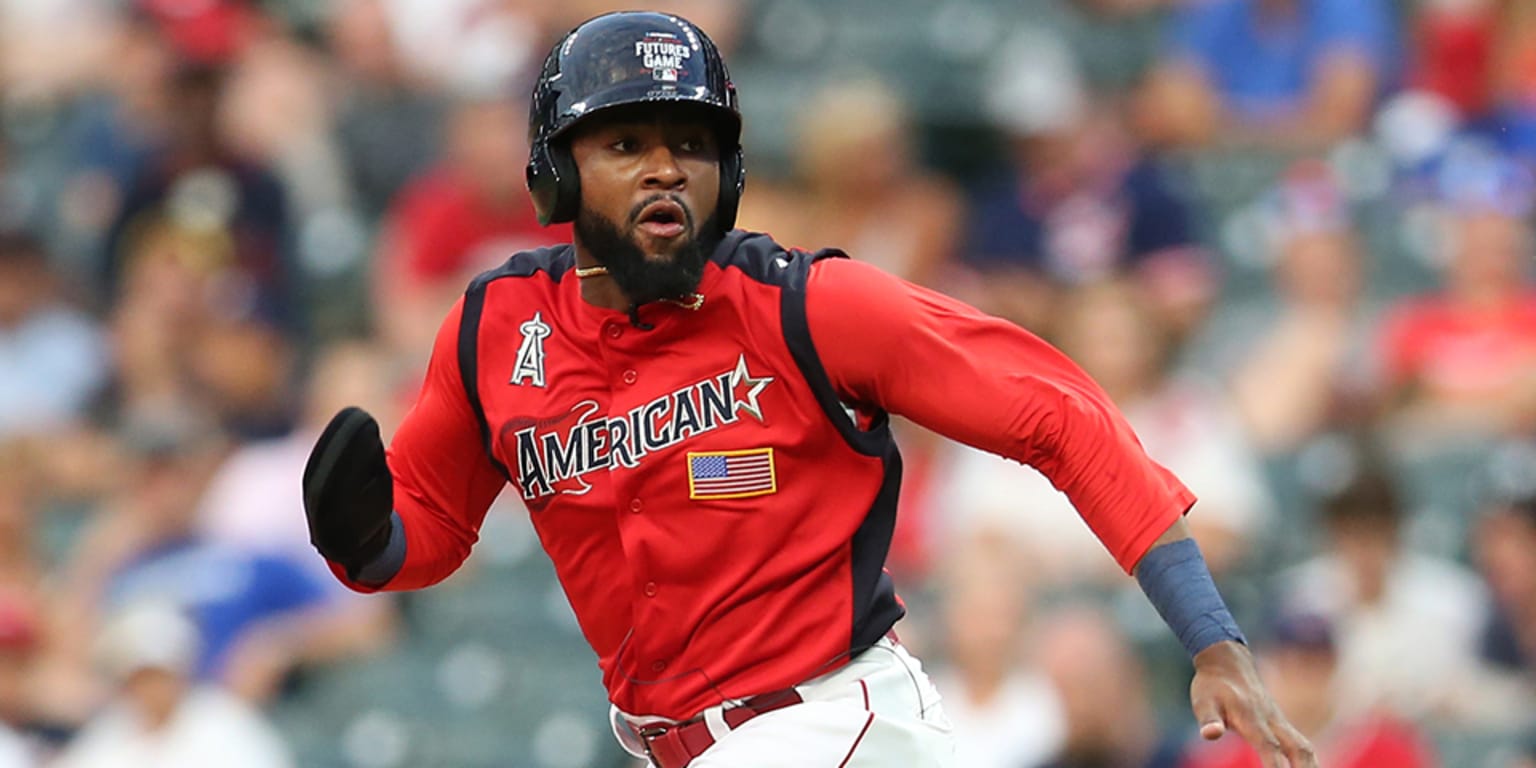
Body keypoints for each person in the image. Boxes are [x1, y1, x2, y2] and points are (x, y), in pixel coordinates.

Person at [299, 12, 1315, 768]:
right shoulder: (495, 329)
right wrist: (366, 544)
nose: (665, 171)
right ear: (554, 177)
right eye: (625, 145)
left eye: (690, 143)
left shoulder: (812, 308)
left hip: (831, 723)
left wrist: (1210, 633)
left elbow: (1056, 412)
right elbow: (429, 521)